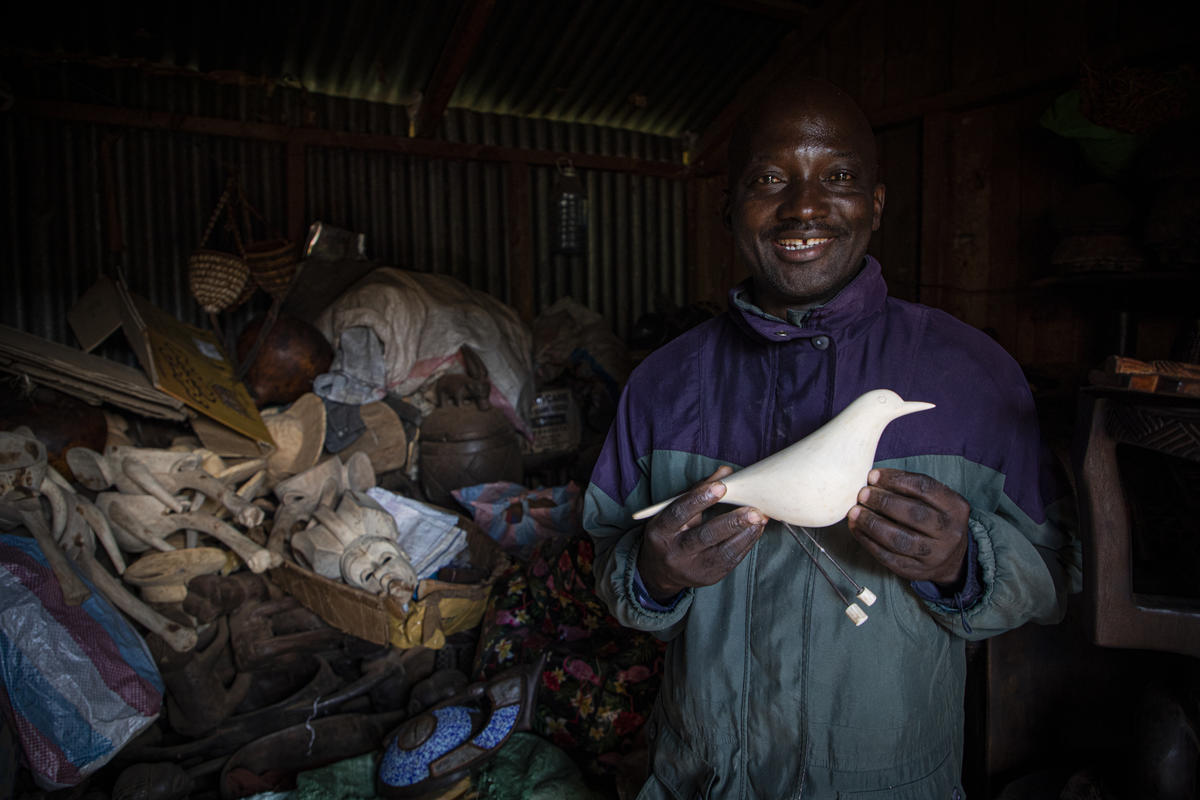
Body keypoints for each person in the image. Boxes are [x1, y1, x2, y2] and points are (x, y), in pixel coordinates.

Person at [582, 78, 1080, 799]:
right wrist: (653, 576)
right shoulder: (664, 383)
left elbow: (1058, 570)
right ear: (729, 208)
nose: (805, 205)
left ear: (875, 205)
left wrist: (963, 565)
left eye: (839, 177)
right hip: (703, 778)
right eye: (770, 179)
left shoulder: (972, 374)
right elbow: (606, 552)